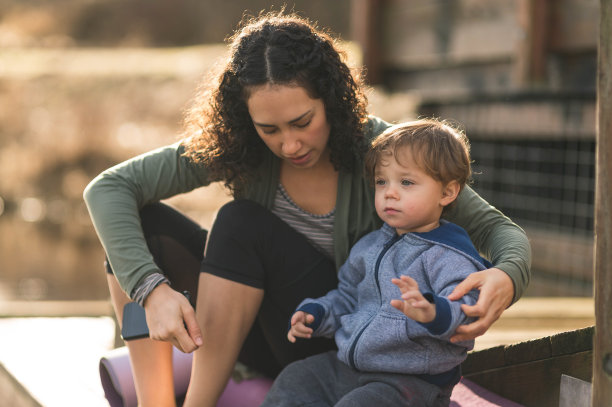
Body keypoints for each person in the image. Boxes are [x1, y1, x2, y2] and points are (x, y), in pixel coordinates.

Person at [83, 11, 531, 407]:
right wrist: (151, 289)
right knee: (142, 228)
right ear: (246, 121)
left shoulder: (383, 153)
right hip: (262, 332)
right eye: (269, 129)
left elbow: (498, 230)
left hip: (335, 337)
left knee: (240, 224)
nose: (289, 144)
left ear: (330, 100)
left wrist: (507, 275)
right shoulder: (238, 147)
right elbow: (108, 188)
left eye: (302, 122)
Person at [261, 119, 489, 407]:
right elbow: (346, 298)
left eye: (406, 182)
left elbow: (469, 307)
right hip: (352, 368)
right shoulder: (369, 246)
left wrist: (432, 312)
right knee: (296, 378)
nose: (390, 192)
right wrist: (317, 314)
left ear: (447, 192)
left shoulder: (449, 254)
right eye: (382, 182)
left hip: (409, 382)